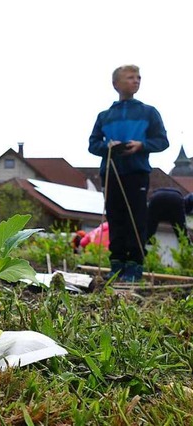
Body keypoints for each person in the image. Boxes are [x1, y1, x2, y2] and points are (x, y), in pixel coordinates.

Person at [88, 65, 169, 282]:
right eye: (130, 77)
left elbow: (162, 141)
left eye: (138, 77)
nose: (136, 81)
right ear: (116, 84)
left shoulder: (148, 112)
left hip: (136, 172)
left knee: (136, 218)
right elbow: (93, 144)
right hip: (111, 172)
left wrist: (142, 145)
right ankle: (117, 265)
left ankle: (134, 267)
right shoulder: (105, 116)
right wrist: (108, 147)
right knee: (115, 218)